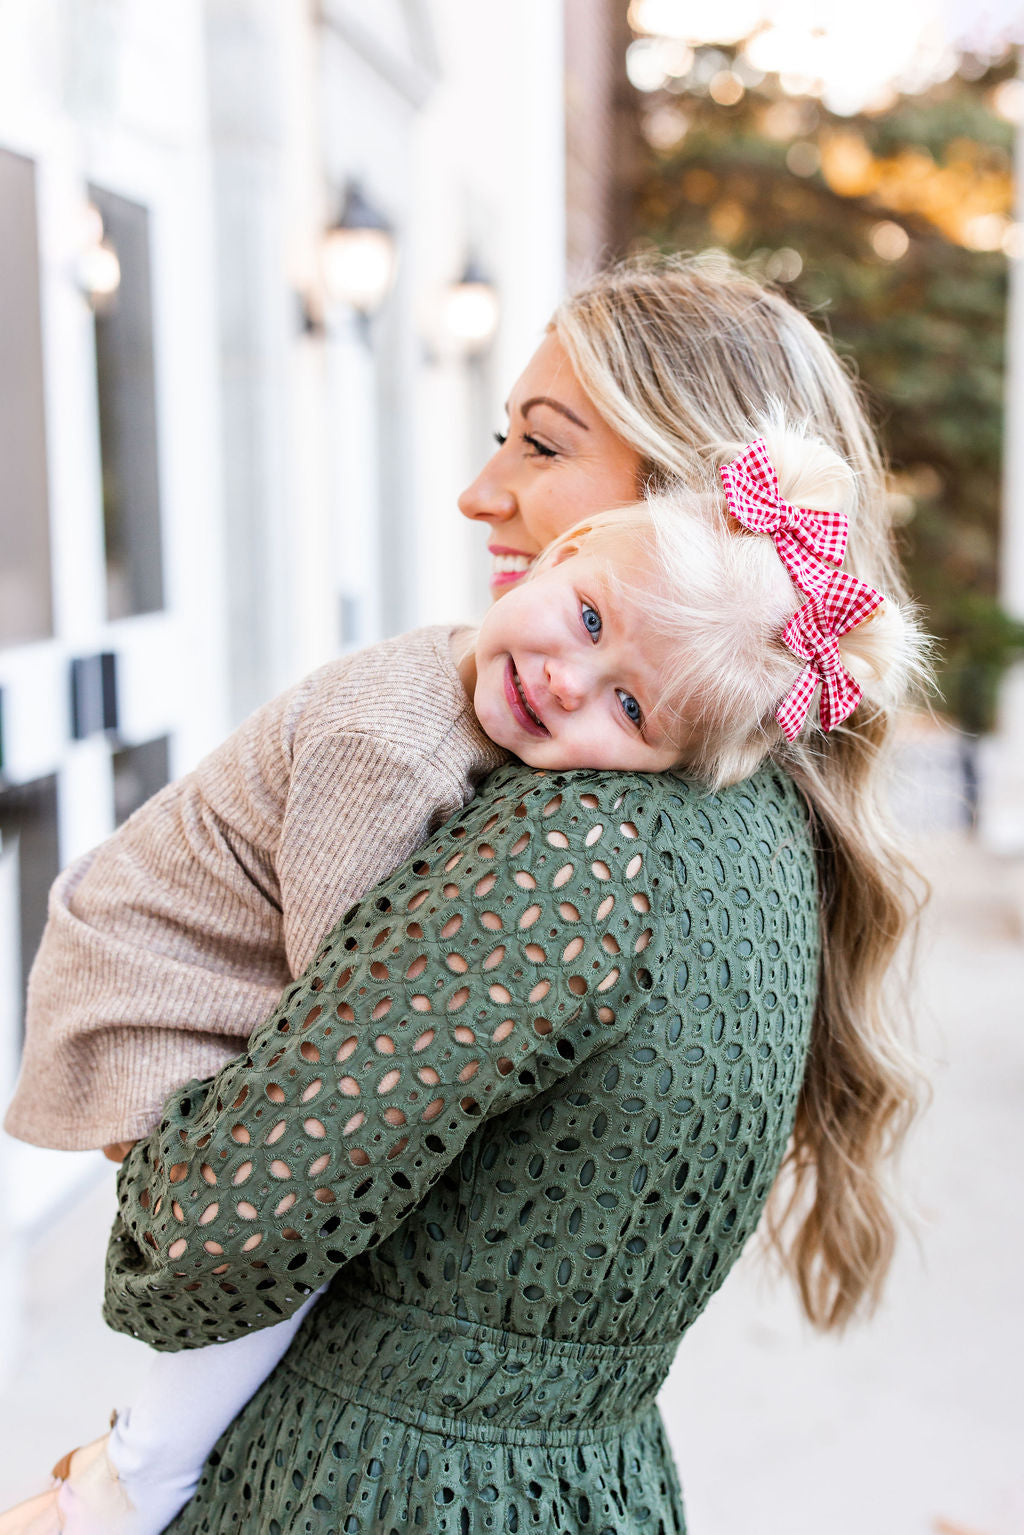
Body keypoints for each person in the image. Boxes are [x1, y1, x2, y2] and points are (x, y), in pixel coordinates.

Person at [1, 253, 928, 1535]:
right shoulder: (735, 818)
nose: (477, 490)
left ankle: (123, 1481)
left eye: (539, 447)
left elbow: (229, 1204)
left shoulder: (578, 837)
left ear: (686, 507)